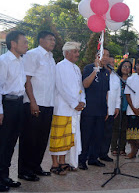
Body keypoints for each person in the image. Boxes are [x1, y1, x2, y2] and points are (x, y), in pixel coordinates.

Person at [18, 31, 56, 181]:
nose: (53, 42)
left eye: (54, 40)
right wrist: (32, 101)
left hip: (48, 103)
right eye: (50, 39)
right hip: (34, 103)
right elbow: (27, 80)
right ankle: (24, 170)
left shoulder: (51, 58)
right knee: (29, 138)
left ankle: (35, 166)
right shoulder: (33, 54)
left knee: (41, 139)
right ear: (41, 40)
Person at [49, 42, 85, 175]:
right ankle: (54, 164)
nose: (77, 54)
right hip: (62, 108)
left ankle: (63, 161)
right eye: (75, 52)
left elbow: (81, 88)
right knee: (58, 136)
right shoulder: (60, 66)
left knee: (67, 137)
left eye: (77, 51)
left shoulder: (76, 68)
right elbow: (61, 87)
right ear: (67, 53)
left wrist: (82, 101)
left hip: (73, 109)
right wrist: (74, 103)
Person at [0, 31, 28, 191]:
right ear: (13, 44)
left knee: (11, 143)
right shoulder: (4, 61)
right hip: (6, 104)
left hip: (18, 104)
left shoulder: (20, 61)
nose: (26, 45)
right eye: (24, 42)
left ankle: (5, 176)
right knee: (2, 143)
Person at [78, 48, 110, 170]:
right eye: (103, 55)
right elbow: (85, 84)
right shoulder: (89, 68)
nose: (105, 57)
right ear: (97, 56)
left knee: (98, 136)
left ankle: (93, 158)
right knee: (86, 136)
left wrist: (107, 108)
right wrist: (95, 70)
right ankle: (82, 160)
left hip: (101, 109)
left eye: (107, 55)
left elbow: (107, 92)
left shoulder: (107, 72)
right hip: (89, 109)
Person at [98, 55, 121, 162]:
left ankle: (104, 154)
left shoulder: (116, 77)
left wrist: (117, 106)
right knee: (98, 133)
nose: (111, 64)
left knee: (108, 133)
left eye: (112, 63)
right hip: (101, 110)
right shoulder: (101, 74)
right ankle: (94, 154)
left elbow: (118, 94)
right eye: (109, 62)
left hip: (112, 110)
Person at [125, 60, 139, 160]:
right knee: (131, 133)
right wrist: (133, 108)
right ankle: (133, 151)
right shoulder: (131, 78)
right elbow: (127, 94)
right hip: (131, 109)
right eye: (137, 65)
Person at [110, 60, 132, 157]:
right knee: (115, 128)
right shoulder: (115, 78)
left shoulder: (131, 80)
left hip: (127, 108)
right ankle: (114, 148)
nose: (126, 68)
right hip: (116, 107)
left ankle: (122, 148)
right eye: (124, 66)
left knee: (124, 129)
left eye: (128, 67)